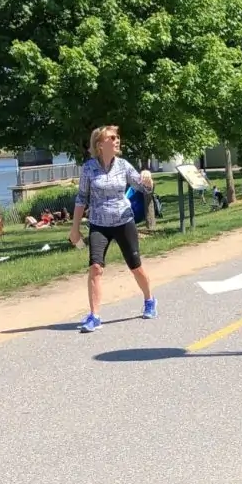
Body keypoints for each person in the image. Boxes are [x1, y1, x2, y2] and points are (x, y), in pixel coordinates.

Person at [70, 124, 157, 332]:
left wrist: (148, 178)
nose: (117, 140)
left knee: (135, 265)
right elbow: (81, 198)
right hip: (99, 224)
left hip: (123, 221)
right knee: (95, 268)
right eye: (112, 138)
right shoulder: (89, 168)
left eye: (117, 137)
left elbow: (143, 188)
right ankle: (95, 316)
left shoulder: (124, 165)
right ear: (100, 145)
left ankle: (149, 300)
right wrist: (75, 229)